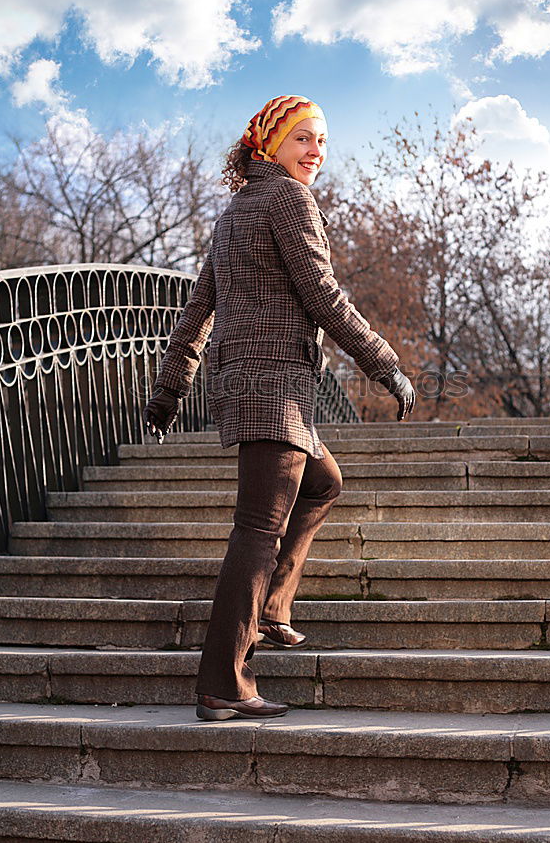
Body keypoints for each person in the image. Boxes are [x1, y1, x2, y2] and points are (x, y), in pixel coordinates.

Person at [143, 94, 416, 722]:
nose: (316, 152)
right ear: (271, 144)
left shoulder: (235, 209)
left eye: (322, 140)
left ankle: (272, 607)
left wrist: (169, 390)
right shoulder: (289, 200)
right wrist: (384, 363)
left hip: (246, 385)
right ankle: (225, 683)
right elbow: (322, 293)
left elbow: (197, 311)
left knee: (324, 482)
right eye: (303, 139)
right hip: (275, 390)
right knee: (257, 531)